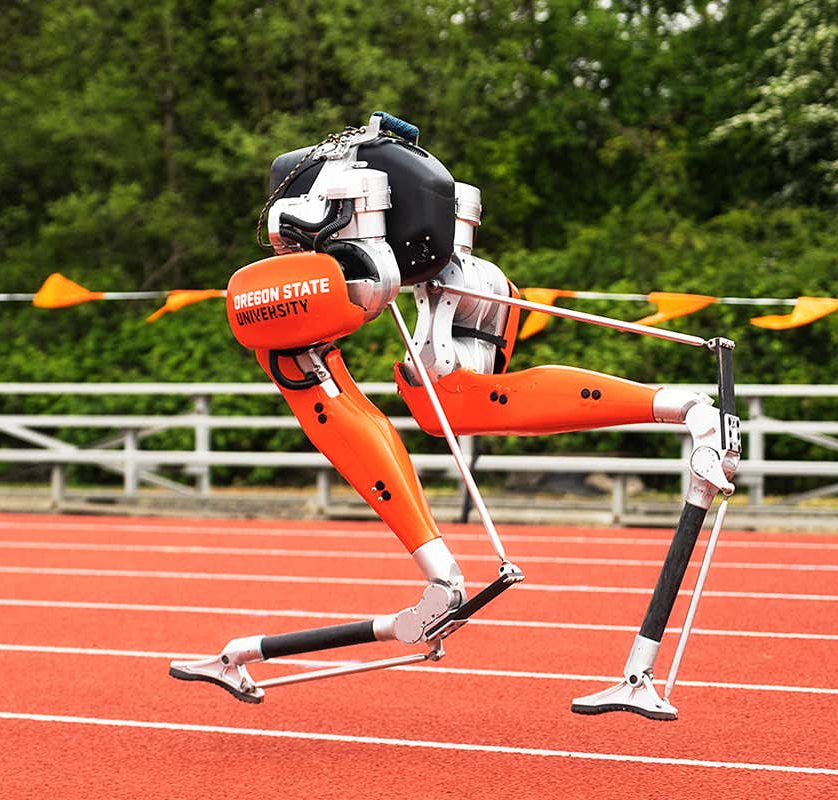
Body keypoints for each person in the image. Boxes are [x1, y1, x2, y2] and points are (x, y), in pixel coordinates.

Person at [171, 113, 737, 714]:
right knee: (450, 404)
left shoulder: (303, 205)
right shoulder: (391, 189)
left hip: (376, 271)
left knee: (301, 371)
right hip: (467, 273)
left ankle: (440, 576)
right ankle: (681, 405)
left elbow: (315, 250)